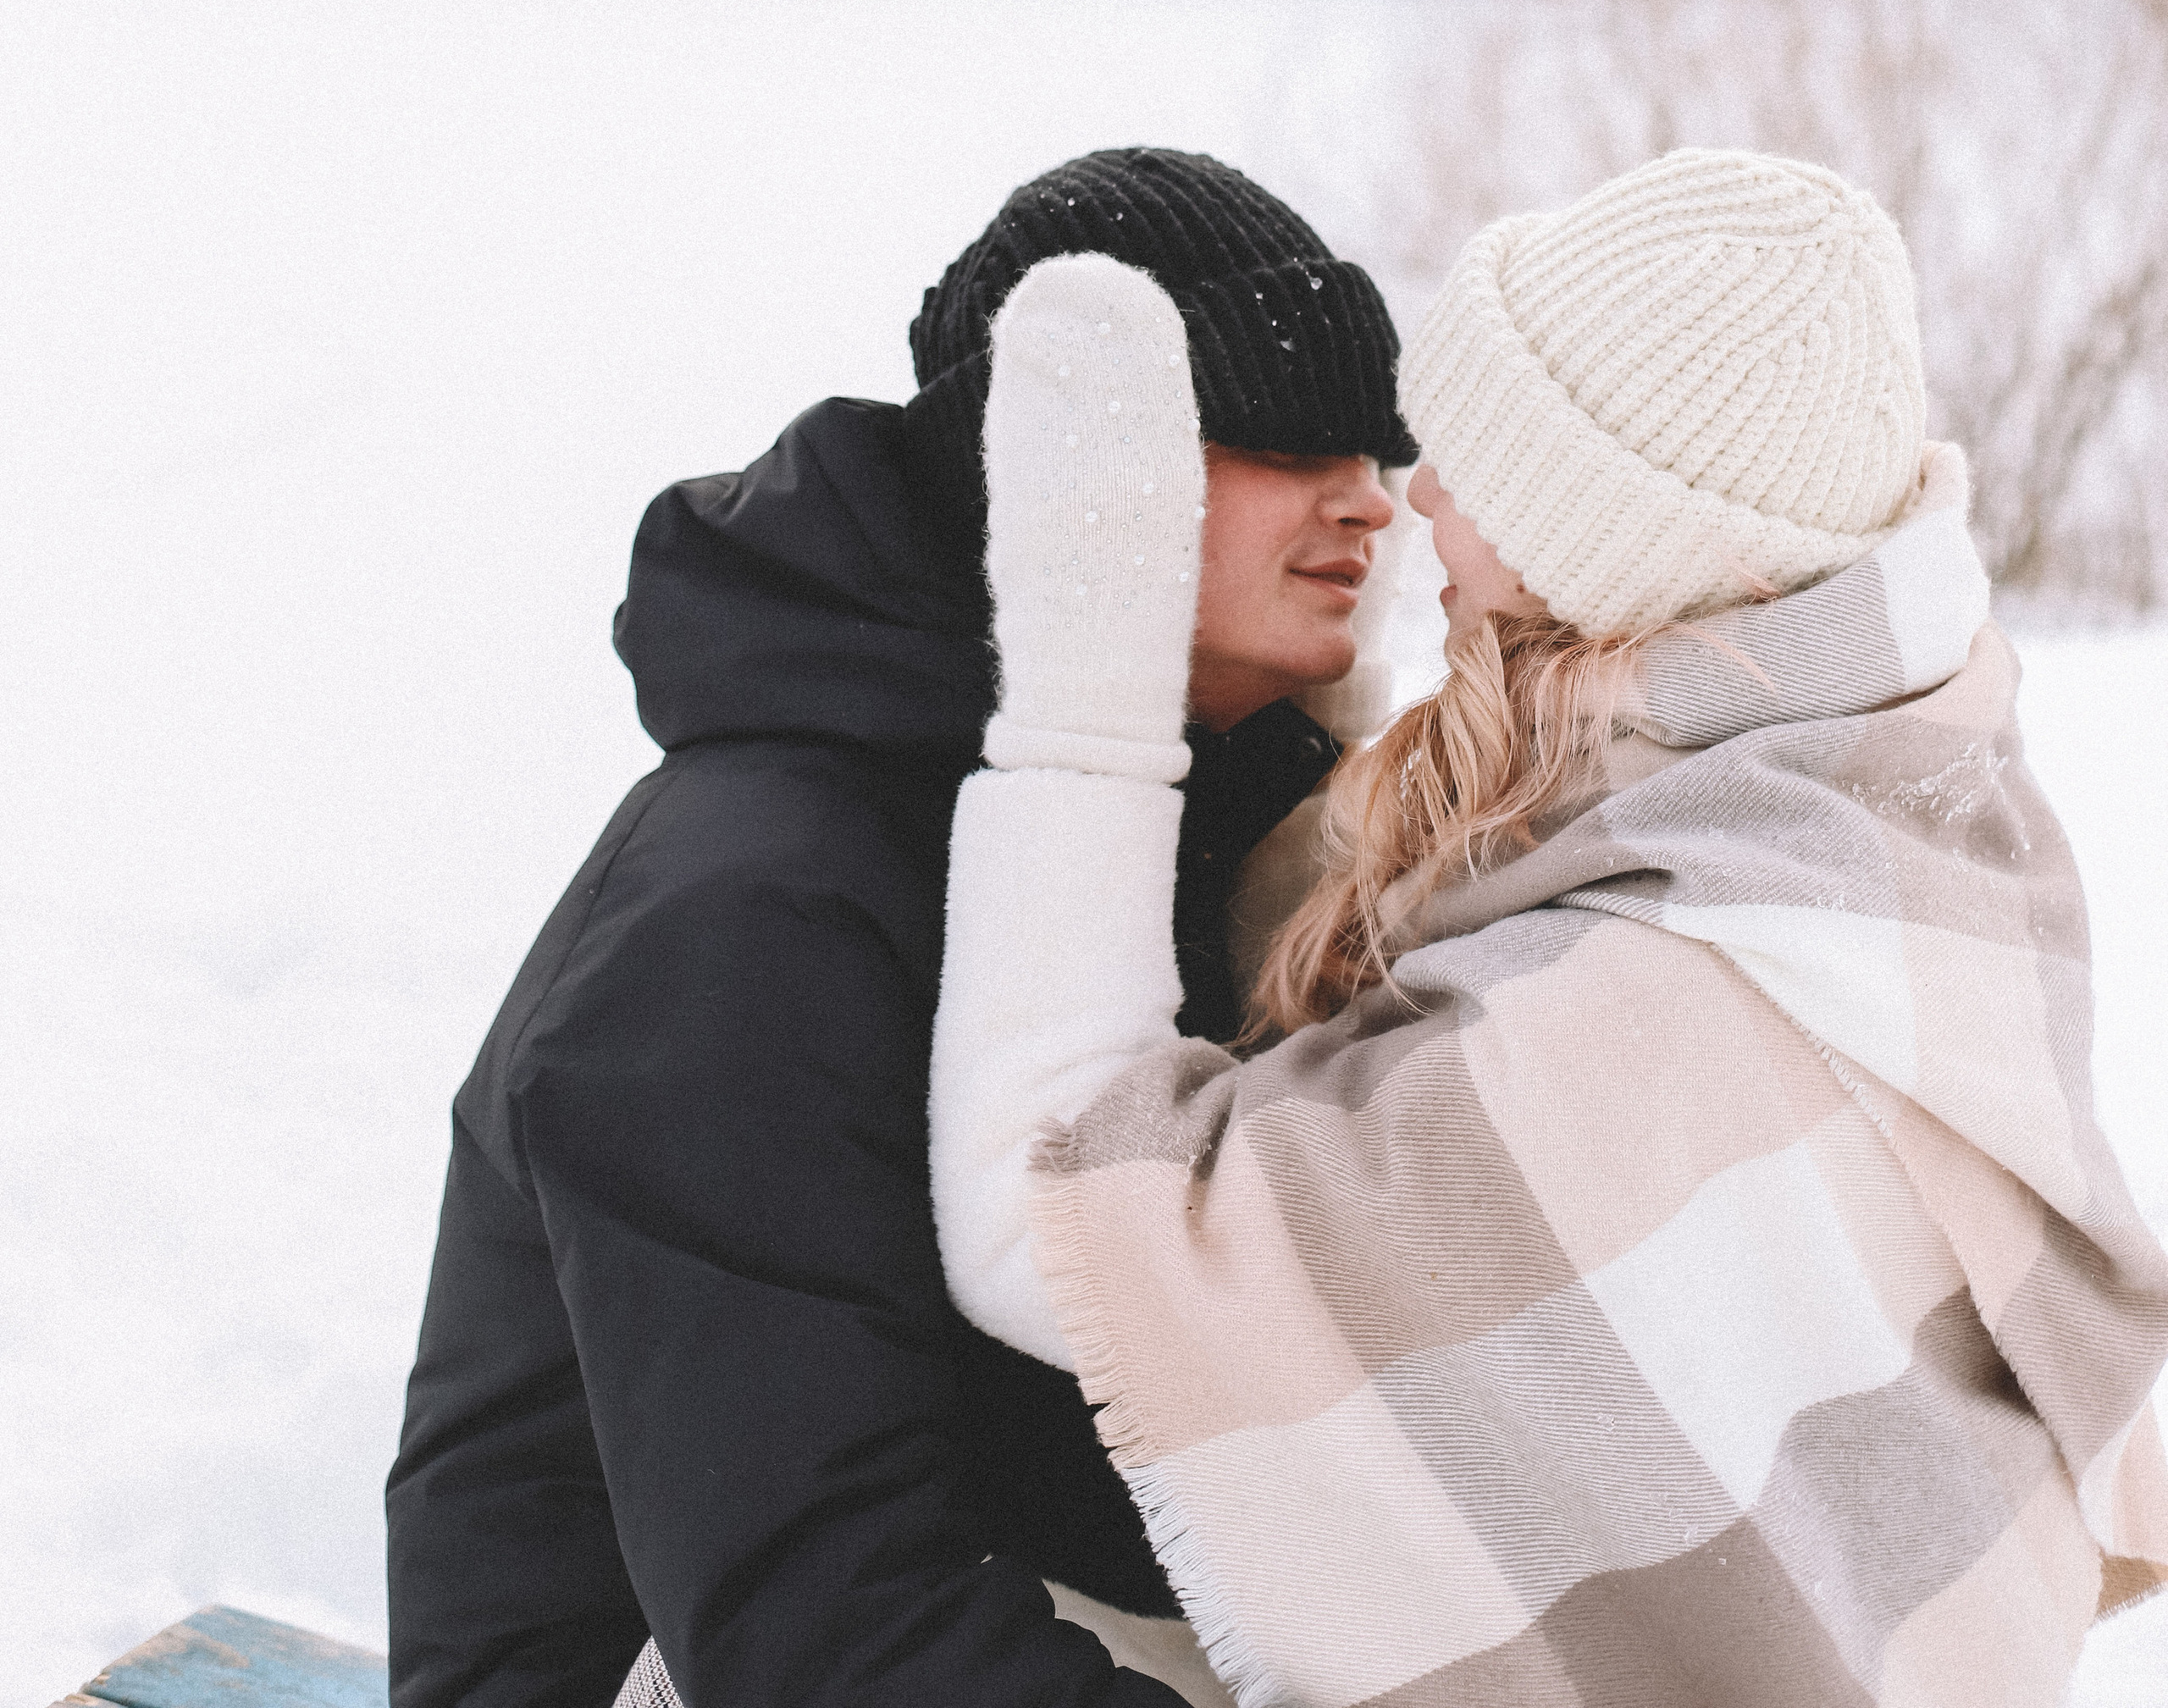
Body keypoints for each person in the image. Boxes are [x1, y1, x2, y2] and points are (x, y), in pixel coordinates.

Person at [932, 148, 2168, 1707]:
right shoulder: (1893, 805)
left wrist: (1084, 711)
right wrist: (1339, 713)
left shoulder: (1636, 1017)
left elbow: (1051, 1219)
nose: (1416, 496)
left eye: (1491, 473)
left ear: (1611, 560)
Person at [385, 146, 1416, 1708]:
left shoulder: (1206, 819)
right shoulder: (754, 911)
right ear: (1054, 462)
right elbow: (811, 1610)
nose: (1369, 499)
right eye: (1279, 430)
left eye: (1379, 439)